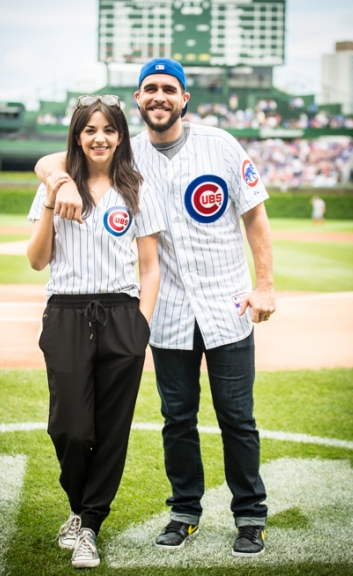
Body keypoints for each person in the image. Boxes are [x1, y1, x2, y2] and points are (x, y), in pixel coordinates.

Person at [35, 58, 276, 558]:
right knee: (178, 418)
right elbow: (55, 160)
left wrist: (266, 284)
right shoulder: (127, 155)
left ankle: (250, 515)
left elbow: (255, 216)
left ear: (184, 98)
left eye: (170, 88)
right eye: (150, 89)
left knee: (237, 417)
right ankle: (184, 511)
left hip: (226, 303)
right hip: (167, 314)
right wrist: (56, 180)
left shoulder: (222, 145)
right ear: (139, 99)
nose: (160, 96)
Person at [27, 95, 164, 569]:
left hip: (122, 315)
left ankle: (89, 525)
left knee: (111, 432)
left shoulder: (137, 189)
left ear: (121, 136)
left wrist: (140, 326)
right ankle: (78, 507)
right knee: (68, 427)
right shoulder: (56, 184)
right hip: (65, 313)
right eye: (90, 130)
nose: (99, 137)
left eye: (108, 129)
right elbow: (37, 259)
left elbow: (150, 267)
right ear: (78, 135)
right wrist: (51, 195)